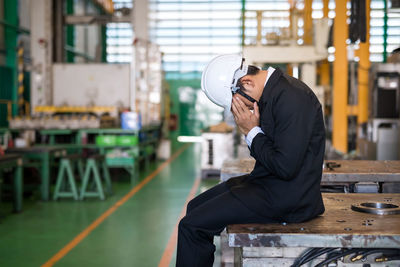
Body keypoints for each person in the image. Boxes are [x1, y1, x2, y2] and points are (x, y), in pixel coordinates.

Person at [176, 54, 326, 267]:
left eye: (238, 102)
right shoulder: (274, 94)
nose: (241, 108)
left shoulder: (292, 98)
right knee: (194, 207)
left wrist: (251, 131)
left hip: (289, 199)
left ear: (247, 82)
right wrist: (252, 132)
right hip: (268, 184)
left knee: (191, 226)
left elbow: (285, 167)